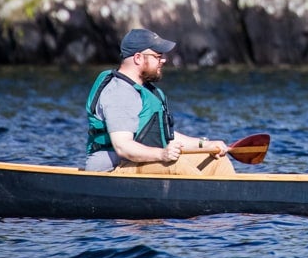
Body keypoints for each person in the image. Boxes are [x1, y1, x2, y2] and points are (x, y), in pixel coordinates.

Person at [84, 28, 228, 171]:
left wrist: (205, 145)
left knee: (216, 161)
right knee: (176, 165)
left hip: (142, 162)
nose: (163, 60)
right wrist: (162, 154)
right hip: (114, 168)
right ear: (138, 58)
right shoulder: (119, 93)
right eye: (157, 56)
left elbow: (165, 137)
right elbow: (123, 147)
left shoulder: (146, 90)